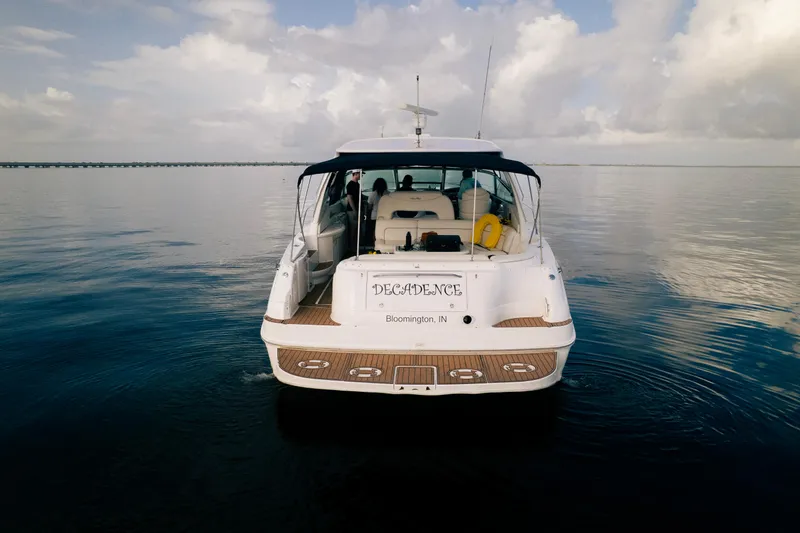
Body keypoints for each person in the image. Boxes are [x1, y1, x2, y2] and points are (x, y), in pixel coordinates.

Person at [366, 177, 388, 246]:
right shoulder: (388, 194)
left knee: (374, 232)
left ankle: (374, 245)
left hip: (374, 216)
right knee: (383, 232)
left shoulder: (372, 194)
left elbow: (369, 208)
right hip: (385, 216)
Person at [346, 170, 362, 253]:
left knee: (356, 229)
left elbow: (359, 196)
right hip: (352, 211)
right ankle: (352, 249)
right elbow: (350, 198)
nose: (361, 175)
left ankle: (356, 247)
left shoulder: (358, 184)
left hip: (357, 209)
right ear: (355, 174)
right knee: (353, 229)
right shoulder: (350, 185)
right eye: (360, 174)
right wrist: (355, 211)